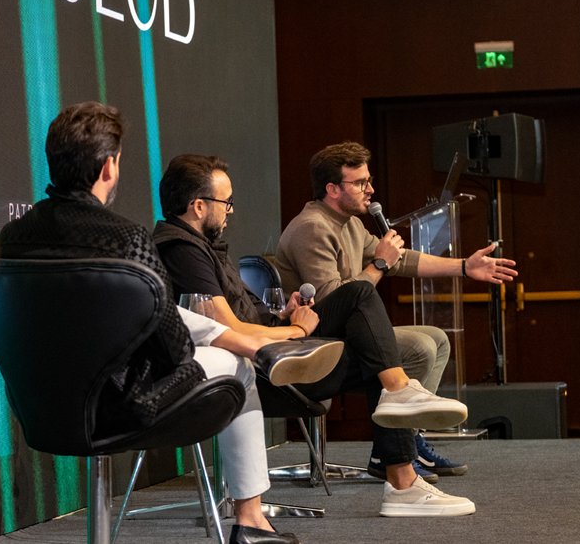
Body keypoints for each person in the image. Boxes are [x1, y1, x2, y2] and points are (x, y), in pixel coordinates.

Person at [0, 103, 344, 544]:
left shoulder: (11, 237)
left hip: (38, 405)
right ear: (107, 167)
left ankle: (249, 343)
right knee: (231, 361)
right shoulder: (124, 239)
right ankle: (251, 521)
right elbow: (173, 350)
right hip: (123, 403)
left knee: (182, 317)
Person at [154, 153, 481, 517]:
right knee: (359, 295)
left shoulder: (206, 245)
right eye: (226, 202)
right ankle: (401, 405)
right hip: (255, 370)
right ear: (199, 206)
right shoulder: (182, 249)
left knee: (384, 360)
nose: (230, 210)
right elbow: (224, 327)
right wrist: (295, 328)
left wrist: (280, 314)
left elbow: (241, 313)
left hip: (273, 351)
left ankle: (402, 479)